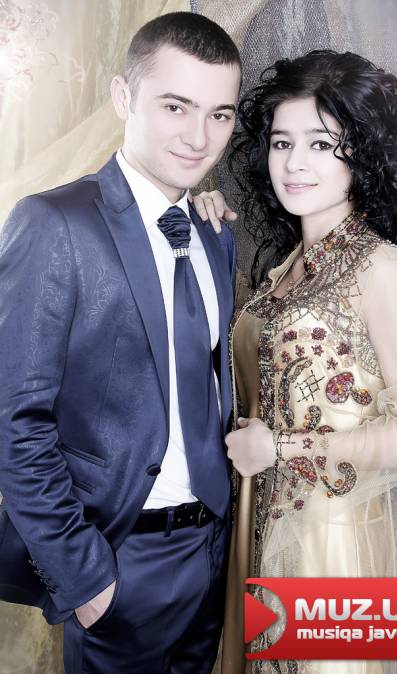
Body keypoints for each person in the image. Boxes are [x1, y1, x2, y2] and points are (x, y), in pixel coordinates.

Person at [0, 12, 241, 674]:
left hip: (212, 550)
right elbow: (15, 420)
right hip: (118, 561)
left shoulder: (216, 233)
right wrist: (85, 579)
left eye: (219, 114)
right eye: (175, 106)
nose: (199, 137)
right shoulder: (53, 223)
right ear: (123, 97)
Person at [193, 50, 397, 674]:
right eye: (282, 143)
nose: (295, 162)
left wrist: (279, 449)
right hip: (260, 533)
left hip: (334, 549)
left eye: (321, 143)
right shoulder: (287, 268)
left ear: (361, 153)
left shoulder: (379, 268)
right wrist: (200, 228)